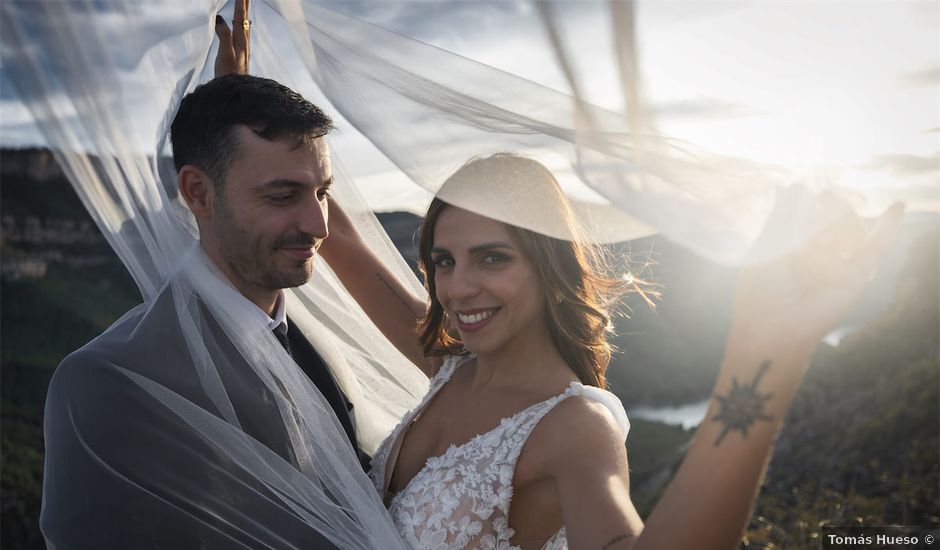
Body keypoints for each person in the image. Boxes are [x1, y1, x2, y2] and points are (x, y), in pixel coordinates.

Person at [321, 152, 903, 549]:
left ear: (549, 267)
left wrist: (767, 349)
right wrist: (235, 96)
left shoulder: (575, 429)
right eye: (444, 261)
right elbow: (338, 236)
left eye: (492, 258)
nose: (457, 287)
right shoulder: (449, 365)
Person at [40, 3, 394, 547]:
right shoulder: (104, 381)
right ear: (197, 193)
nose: (318, 224)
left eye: (323, 192)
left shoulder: (314, 343)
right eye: (283, 195)